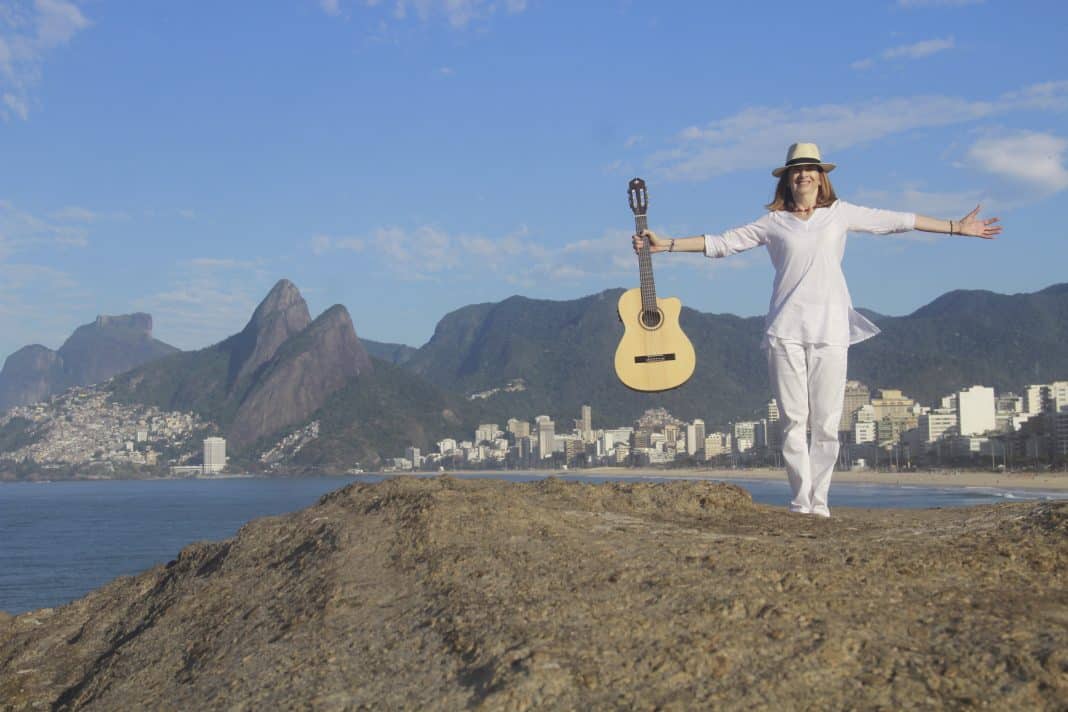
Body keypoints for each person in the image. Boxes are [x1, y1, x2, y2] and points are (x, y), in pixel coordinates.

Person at [633, 142, 1001, 517]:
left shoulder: (839, 214)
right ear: (787, 180)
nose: (803, 174)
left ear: (821, 177)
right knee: (794, 421)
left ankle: (819, 501)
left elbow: (898, 221)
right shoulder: (772, 223)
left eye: (811, 168)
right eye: (796, 169)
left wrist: (957, 227)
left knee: (825, 422)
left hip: (831, 329)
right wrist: (668, 245)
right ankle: (800, 501)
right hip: (785, 330)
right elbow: (723, 243)